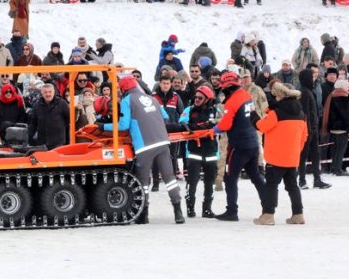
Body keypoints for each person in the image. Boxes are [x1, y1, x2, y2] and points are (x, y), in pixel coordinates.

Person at [103, 76, 185, 224]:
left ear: (123, 89)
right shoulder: (152, 99)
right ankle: (178, 212)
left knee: (143, 181)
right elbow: (165, 117)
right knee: (170, 178)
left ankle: (143, 215)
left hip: (143, 145)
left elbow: (123, 125)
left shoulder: (127, 101)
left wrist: (103, 127)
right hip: (162, 142)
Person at [212, 71, 265, 221]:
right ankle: (268, 206)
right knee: (256, 176)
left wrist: (214, 129)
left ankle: (232, 211)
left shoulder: (232, 101)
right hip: (252, 144)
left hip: (238, 146)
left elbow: (226, 124)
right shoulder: (247, 96)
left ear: (228, 87)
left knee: (230, 178)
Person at [254, 82, 307, 225]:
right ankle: (298, 214)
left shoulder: (276, 113)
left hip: (275, 157)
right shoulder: (301, 114)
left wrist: (254, 115)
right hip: (292, 157)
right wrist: (295, 150)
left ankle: (268, 215)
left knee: (271, 186)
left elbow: (261, 127)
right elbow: (304, 136)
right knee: (292, 186)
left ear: (281, 96)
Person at [178, 85, 218, 218]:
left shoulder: (215, 111)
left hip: (211, 150)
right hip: (194, 151)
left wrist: (209, 126)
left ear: (207, 99)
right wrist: (200, 127)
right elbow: (183, 123)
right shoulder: (189, 110)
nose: (197, 99)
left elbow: (221, 124)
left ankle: (207, 209)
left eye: (200, 98)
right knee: (192, 181)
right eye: (196, 97)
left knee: (210, 182)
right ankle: (190, 208)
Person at [321, 79, 349, 176]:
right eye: (347, 86)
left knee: (334, 148)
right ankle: (338, 169)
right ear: (343, 87)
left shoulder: (333, 95)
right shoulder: (343, 97)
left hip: (333, 127)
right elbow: (346, 115)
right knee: (341, 149)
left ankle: (333, 168)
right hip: (341, 127)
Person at [28, 84, 70, 149]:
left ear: (54, 92)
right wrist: (29, 139)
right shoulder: (37, 106)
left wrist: (68, 141)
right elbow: (33, 124)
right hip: (42, 144)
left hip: (59, 143)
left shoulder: (62, 103)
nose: (48, 94)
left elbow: (69, 121)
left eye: (50, 92)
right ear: (42, 93)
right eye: (45, 92)